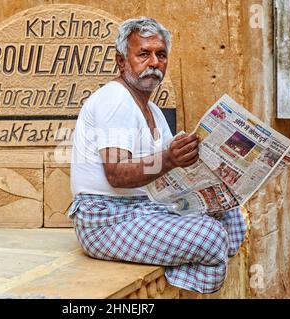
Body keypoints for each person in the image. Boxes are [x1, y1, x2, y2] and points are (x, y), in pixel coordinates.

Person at [68, 17, 246, 294]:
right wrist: (170, 158)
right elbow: (116, 174)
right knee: (210, 238)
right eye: (143, 54)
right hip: (106, 220)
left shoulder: (154, 111)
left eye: (160, 55)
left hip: (145, 208)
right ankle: (177, 279)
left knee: (230, 215)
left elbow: (168, 172)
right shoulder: (115, 99)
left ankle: (178, 263)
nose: (154, 63)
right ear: (121, 61)